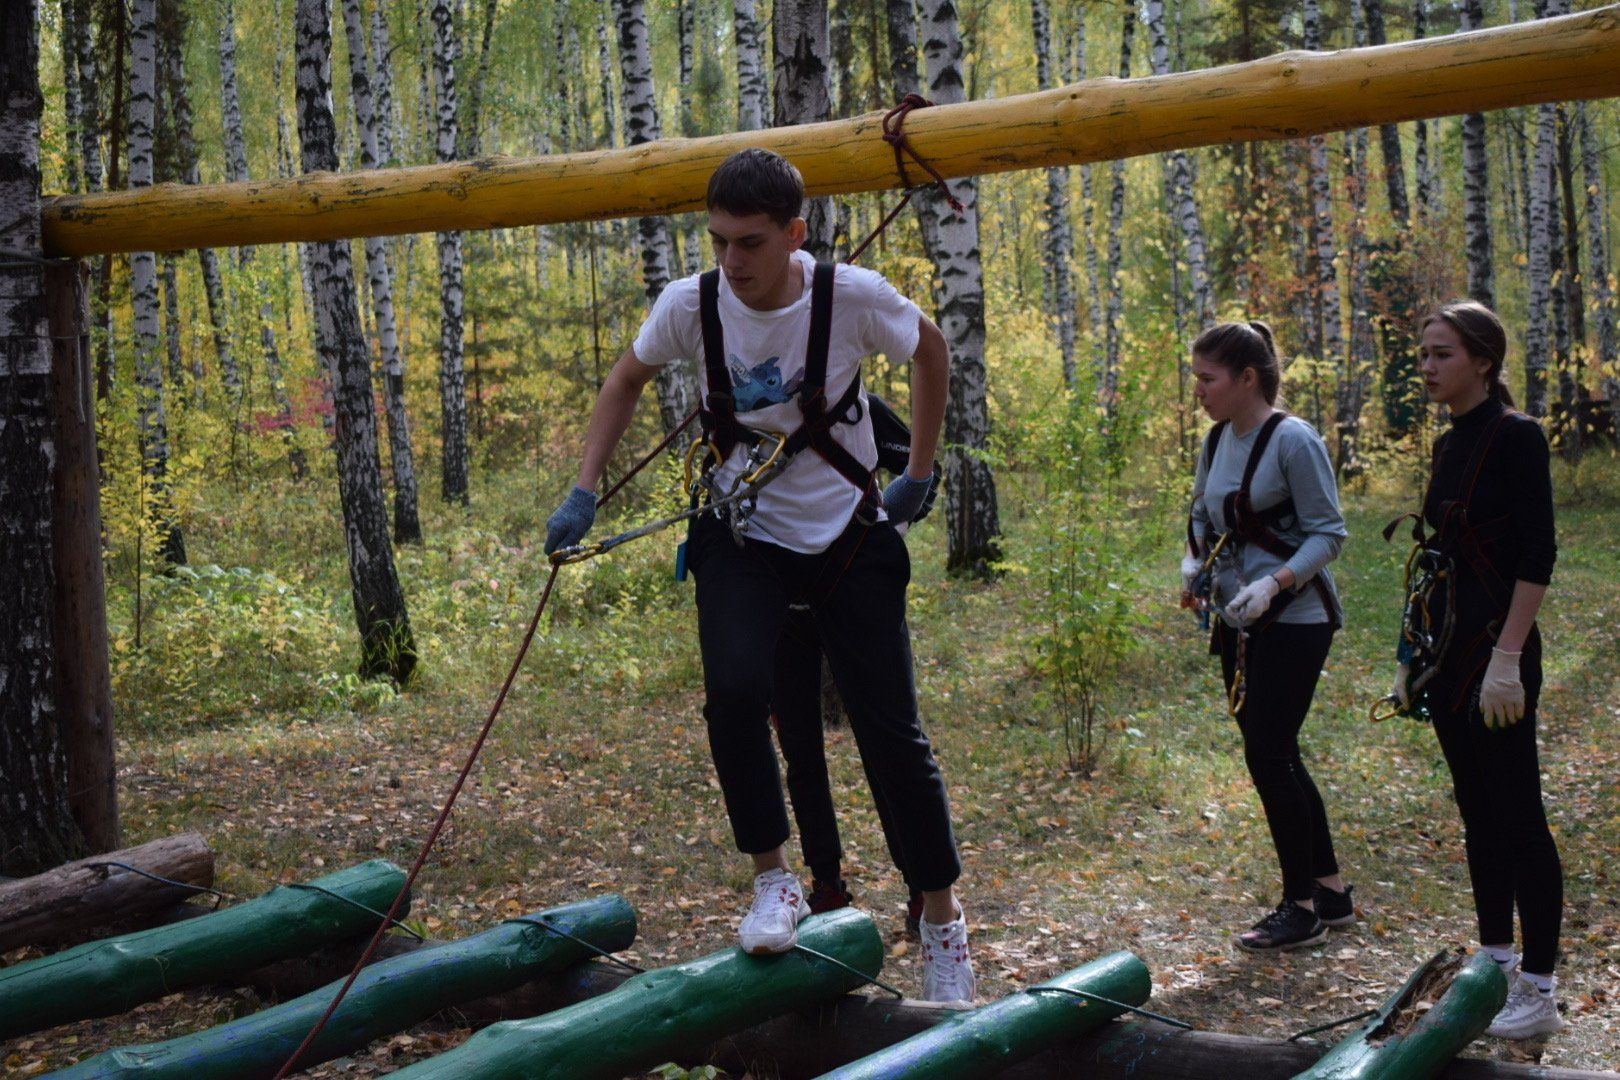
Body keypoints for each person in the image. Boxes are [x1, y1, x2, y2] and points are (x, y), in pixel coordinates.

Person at [544, 147, 974, 1002]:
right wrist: (583, 488)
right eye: (719, 242)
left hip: (850, 532)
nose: (732, 262)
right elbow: (626, 378)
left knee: (892, 734)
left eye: (749, 243)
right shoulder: (691, 305)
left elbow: (931, 352)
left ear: (794, 235)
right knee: (737, 696)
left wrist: (918, 469)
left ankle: (941, 922)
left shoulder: (848, 297)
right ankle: (774, 879)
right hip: (745, 534)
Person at [1386, 300, 1563, 1038]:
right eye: (1423, 354)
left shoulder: (1516, 437)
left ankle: (1541, 988)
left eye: (1442, 354)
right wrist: (1408, 656)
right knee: (1476, 811)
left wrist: (1508, 659)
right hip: (1449, 653)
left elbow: (1537, 552)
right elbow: (1437, 561)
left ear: (1483, 361)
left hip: (1497, 651)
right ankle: (1493, 961)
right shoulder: (1449, 443)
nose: (1427, 366)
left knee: (1518, 813)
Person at [1182, 321, 1355, 951]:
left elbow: (1329, 533)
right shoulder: (1216, 438)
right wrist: (1193, 562)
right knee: (1278, 750)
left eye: (1207, 378)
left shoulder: (1294, 441)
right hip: (1238, 620)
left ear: (1247, 379)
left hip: (1295, 619)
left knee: (1268, 753)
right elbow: (1204, 511)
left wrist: (1275, 584)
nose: (1197, 390)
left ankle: (1300, 904)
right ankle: (1330, 890)